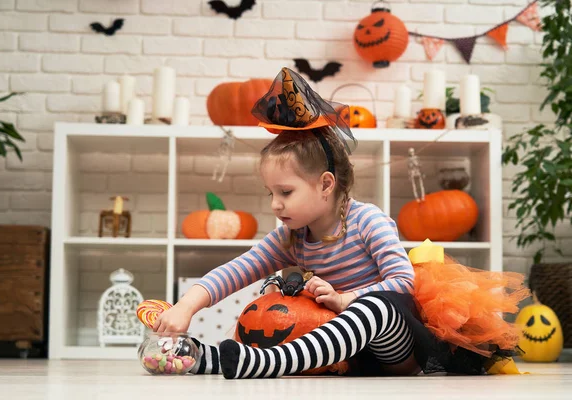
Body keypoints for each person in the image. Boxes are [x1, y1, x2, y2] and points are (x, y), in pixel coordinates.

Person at [153, 67, 529, 379]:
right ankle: (209, 358)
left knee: (377, 307)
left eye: (285, 192)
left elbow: (403, 283)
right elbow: (236, 270)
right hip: (344, 354)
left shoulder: (368, 221)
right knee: (276, 297)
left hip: (394, 349)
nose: (275, 204)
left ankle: (269, 364)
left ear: (325, 185)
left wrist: (349, 298)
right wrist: (186, 306)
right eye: (270, 193)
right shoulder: (290, 237)